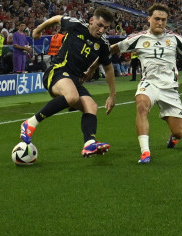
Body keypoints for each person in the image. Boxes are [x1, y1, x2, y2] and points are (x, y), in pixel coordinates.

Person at [113, 4, 182, 164]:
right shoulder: (139, 38)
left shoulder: (175, 39)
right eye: (157, 19)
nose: (160, 22)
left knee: (179, 132)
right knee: (142, 106)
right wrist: (91, 66)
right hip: (149, 84)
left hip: (170, 89)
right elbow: (112, 49)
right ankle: (145, 153)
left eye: (163, 20)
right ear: (149, 19)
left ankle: (174, 138)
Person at [18, 8, 117, 158]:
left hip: (75, 80)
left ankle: (89, 144)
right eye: (99, 25)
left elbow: (108, 69)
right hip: (57, 70)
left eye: (106, 28)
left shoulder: (102, 44)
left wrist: (112, 95)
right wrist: (38, 30)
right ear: (92, 20)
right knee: (72, 97)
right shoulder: (76, 25)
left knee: (92, 107)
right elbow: (56, 18)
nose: (101, 30)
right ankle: (30, 123)